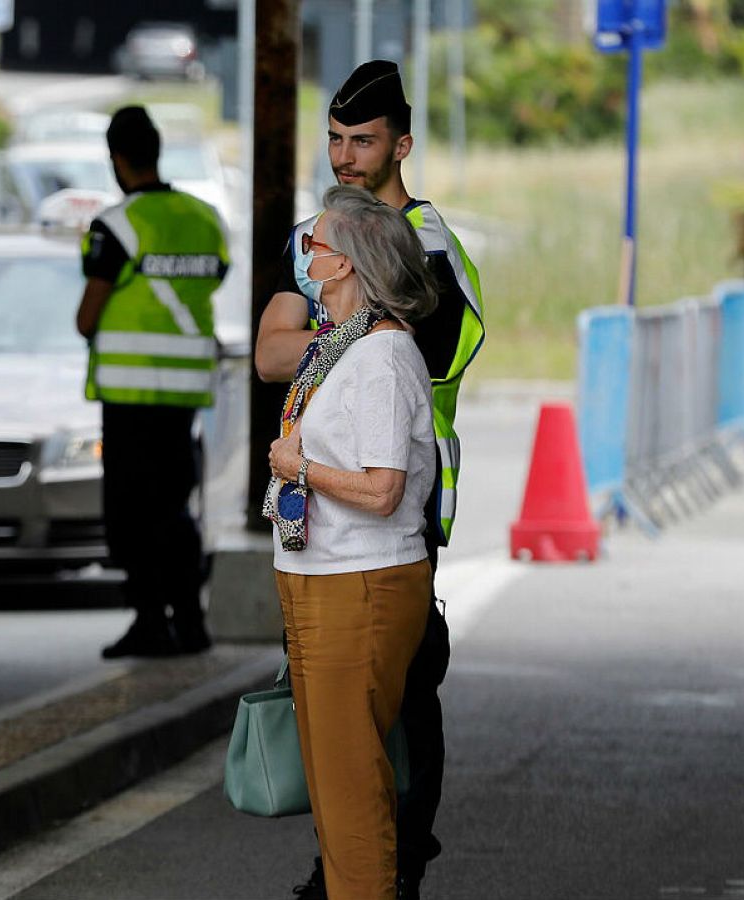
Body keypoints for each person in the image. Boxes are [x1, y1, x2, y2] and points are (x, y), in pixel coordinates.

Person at [255, 60, 484, 900]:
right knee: (336, 737)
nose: (345, 156)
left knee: (401, 718)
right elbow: (267, 354)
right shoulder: (322, 239)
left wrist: (340, 332)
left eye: (364, 141)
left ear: (403, 144)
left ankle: (390, 874)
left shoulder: (425, 246)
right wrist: (332, 328)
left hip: (394, 527)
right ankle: (347, 869)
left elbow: (417, 355)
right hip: (320, 537)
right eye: (336, 139)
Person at [265, 185, 438, 900]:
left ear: (347, 264)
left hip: (359, 582)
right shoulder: (344, 342)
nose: (306, 257)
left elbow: (383, 488)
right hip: (318, 573)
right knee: (331, 781)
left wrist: (301, 468)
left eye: (315, 245)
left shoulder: (382, 356)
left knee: (351, 783)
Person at [75, 105, 230, 658]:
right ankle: (189, 620)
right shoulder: (206, 218)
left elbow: (86, 317)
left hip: (130, 395)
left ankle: (149, 621)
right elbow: (216, 274)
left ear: (117, 160)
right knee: (174, 507)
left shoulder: (115, 225)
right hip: (184, 393)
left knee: (132, 512)